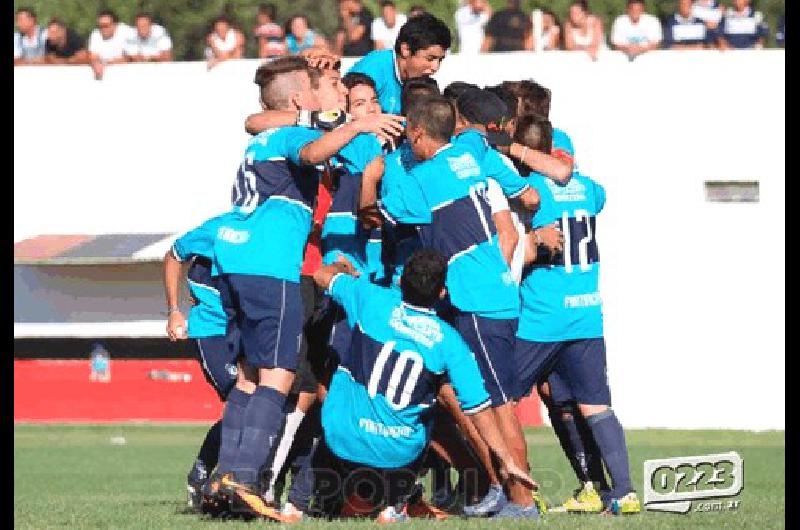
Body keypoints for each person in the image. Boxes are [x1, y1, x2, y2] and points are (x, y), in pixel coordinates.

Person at [210, 56, 403, 519]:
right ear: (303, 96)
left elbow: (259, 119)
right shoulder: (302, 134)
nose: (336, 92)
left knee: (253, 376)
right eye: (333, 85)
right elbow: (314, 152)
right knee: (280, 377)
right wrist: (359, 129)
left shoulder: (266, 136)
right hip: (273, 264)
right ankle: (245, 480)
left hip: (235, 256)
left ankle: (225, 476)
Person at [367, 95, 559, 519]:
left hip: (476, 299)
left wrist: (379, 167)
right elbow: (524, 193)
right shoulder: (472, 150)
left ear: (416, 134)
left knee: (497, 403)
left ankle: (522, 503)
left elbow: (372, 215)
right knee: (461, 395)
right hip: (492, 292)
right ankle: (493, 488)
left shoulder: (418, 181)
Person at [310, 249, 536, 521]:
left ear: (401, 281)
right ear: (443, 292)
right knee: (430, 408)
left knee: (346, 386)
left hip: (343, 441)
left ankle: (311, 501)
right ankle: (394, 505)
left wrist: (342, 268)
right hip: (397, 454)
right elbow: (479, 409)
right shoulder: (450, 342)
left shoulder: (370, 298)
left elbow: (320, 275)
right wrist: (507, 460)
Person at [514, 142, 641, 516]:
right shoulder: (589, 188)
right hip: (585, 314)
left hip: (541, 318)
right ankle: (620, 492)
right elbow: (598, 198)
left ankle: (512, 492)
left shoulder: (531, 191)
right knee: (590, 403)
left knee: (498, 397)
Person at [163, 212, 242, 513]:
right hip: (212, 331)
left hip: (248, 330)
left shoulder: (277, 227)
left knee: (258, 404)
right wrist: (174, 309)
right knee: (240, 401)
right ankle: (202, 475)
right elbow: (173, 255)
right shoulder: (218, 228)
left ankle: (241, 484)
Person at [347, 13, 452, 114]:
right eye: (430, 59)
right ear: (405, 49)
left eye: (440, 60)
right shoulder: (371, 71)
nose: (435, 67)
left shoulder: (421, 82)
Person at [88, 9, 136, 80]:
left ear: (115, 25)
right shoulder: (96, 34)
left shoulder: (127, 32)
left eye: (106, 26)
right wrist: (96, 63)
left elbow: (130, 57)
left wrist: (108, 63)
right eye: (100, 26)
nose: (103, 29)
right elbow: (93, 56)